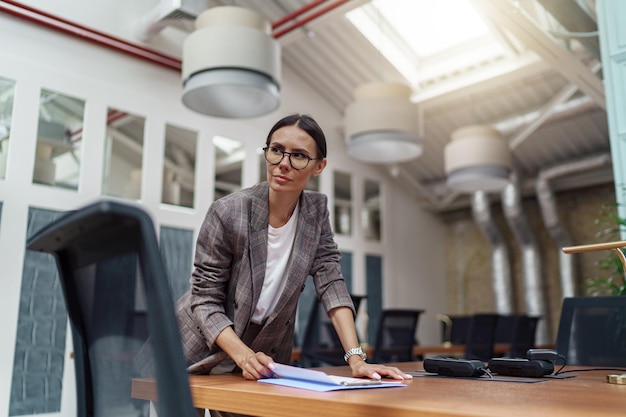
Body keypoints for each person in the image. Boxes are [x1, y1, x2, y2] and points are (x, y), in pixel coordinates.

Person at [174, 114, 412, 416]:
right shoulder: (228, 212)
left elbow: (331, 281)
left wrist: (356, 359)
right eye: (276, 150)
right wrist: (244, 356)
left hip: (262, 355)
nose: (283, 163)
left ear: (319, 166)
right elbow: (205, 300)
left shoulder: (316, 212)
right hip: (195, 351)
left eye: (299, 155)